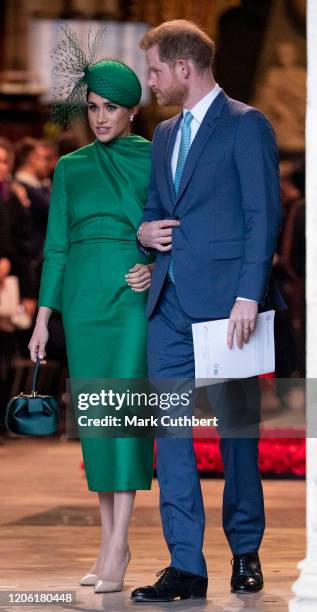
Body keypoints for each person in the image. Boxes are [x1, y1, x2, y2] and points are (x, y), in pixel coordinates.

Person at [131, 20, 285, 603]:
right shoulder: (165, 133)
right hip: (167, 305)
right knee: (170, 435)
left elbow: (261, 216)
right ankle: (185, 565)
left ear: (183, 68)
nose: (151, 82)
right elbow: (154, 208)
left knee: (236, 435)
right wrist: (146, 232)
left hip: (230, 308)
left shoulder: (248, 125)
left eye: (154, 71)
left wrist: (250, 293)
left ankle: (246, 552)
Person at [28, 36, 154, 594]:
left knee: (123, 416)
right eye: (94, 106)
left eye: (112, 108)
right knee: (98, 421)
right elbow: (55, 247)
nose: (101, 117)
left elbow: (174, 230)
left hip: (128, 300)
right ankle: (112, 543)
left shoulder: (156, 158)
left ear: (132, 110)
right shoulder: (70, 168)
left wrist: (153, 264)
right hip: (80, 301)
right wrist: (42, 318)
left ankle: (116, 546)